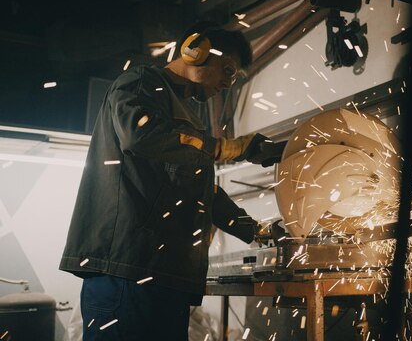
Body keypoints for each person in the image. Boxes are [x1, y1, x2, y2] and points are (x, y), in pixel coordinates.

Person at [59, 21, 284, 340]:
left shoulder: (189, 119)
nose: (227, 83)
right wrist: (226, 148)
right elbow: (140, 134)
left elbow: (197, 189)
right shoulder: (140, 82)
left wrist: (256, 229)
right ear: (197, 49)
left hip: (165, 276)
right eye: (228, 70)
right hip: (129, 269)